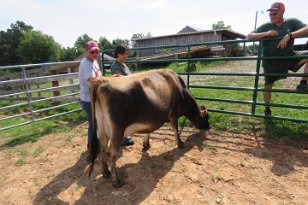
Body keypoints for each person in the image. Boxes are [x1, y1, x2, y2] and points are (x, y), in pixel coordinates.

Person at [247, 2, 308, 115]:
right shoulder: (266, 26)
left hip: (289, 57)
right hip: (271, 62)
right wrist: (267, 33)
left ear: (282, 12)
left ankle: (303, 83)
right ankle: (267, 108)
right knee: (268, 85)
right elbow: (249, 35)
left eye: (275, 13)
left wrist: (290, 35)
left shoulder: (292, 22)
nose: (272, 16)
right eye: (270, 14)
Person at [79, 40, 102, 149]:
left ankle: (93, 144)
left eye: (96, 52)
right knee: (93, 124)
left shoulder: (94, 62)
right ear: (86, 51)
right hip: (88, 99)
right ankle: (92, 146)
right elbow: (93, 81)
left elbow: (99, 77)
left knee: (96, 122)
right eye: (92, 52)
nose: (94, 54)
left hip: (95, 97)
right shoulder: (85, 64)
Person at [110, 44, 134, 146]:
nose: (126, 56)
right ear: (119, 54)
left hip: (127, 95)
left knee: (128, 116)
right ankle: (122, 137)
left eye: (127, 54)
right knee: (122, 117)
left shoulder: (123, 65)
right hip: (120, 96)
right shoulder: (115, 65)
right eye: (125, 54)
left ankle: (126, 135)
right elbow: (118, 80)